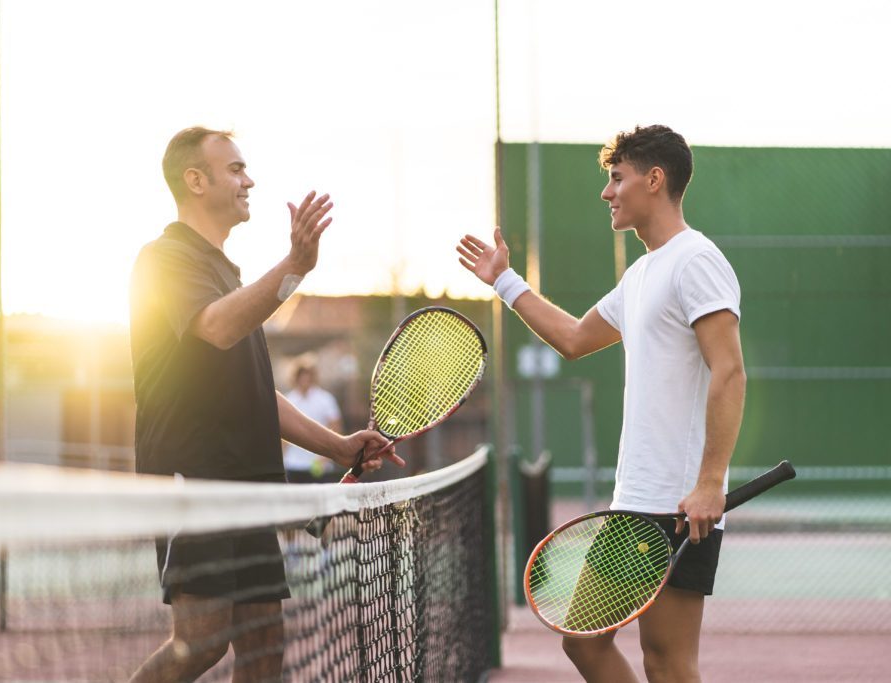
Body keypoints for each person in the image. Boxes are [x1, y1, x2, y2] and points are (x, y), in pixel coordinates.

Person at [457, 124, 745, 683]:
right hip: (633, 500)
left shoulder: (697, 261)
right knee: (583, 642)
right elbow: (572, 338)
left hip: (676, 506)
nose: (606, 193)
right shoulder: (640, 274)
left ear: (654, 180)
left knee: (667, 662)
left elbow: (729, 372)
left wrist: (710, 483)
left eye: (618, 178)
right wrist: (504, 280)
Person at [128, 126, 403, 683]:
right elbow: (218, 328)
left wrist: (340, 445)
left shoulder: (226, 272)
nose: (248, 179)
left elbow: (257, 392)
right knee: (200, 644)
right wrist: (296, 265)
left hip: (250, 486)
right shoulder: (164, 259)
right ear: (195, 180)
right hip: (196, 481)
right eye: (234, 169)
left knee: (263, 645)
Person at [283, 357, 344, 483]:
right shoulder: (289, 399)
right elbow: (283, 435)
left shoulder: (326, 399)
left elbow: (336, 429)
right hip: (293, 466)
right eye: (301, 376)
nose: (305, 379)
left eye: (308, 376)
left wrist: (324, 459)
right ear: (296, 378)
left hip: (320, 468)